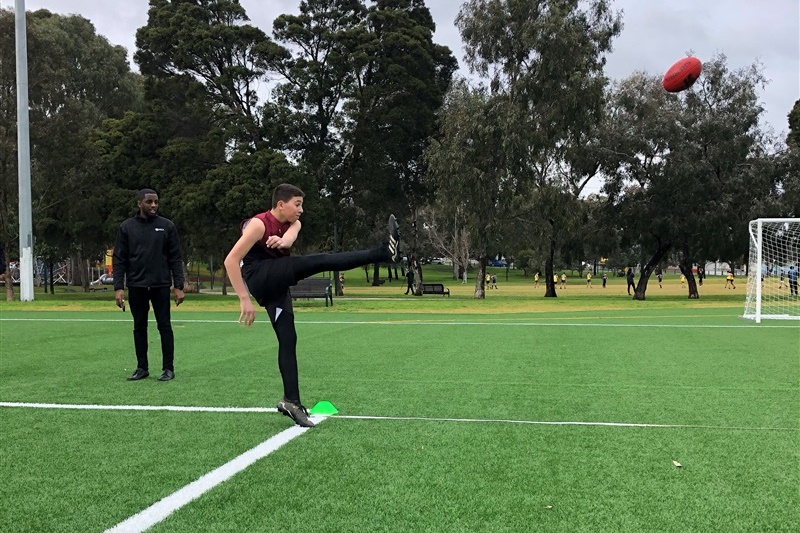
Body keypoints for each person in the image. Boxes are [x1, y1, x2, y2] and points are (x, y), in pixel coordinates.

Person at [223, 184, 400, 428]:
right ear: (281, 204)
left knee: (288, 339)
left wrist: (283, 241)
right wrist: (244, 299)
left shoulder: (294, 223)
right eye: (297, 204)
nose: (301, 210)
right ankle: (382, 252)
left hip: (277, 283)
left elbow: (290, 237)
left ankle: (290, 401)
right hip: (259, 276)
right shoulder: (259, 224)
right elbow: (231, 260)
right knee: (320, 261)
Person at [113, 189, 185, 382]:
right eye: (149, 202)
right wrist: (118, 287)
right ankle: (142, 368)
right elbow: (119, 259)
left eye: (156, 202)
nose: (153, 205)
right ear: (139, 203)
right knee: (139, 327)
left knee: (165, 327)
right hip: (136, 285)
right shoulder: (127, 227)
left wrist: (178, 286)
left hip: (161, 285)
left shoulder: (167, 226)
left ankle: (168, 369)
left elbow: (175, 258)